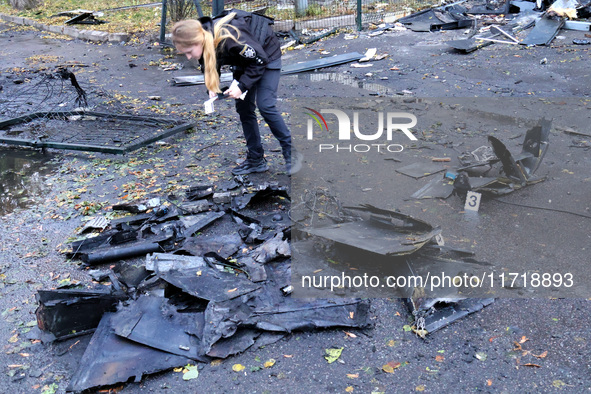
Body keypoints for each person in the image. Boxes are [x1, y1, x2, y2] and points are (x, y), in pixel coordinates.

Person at [171, 10, 301, 176]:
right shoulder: (206, 40)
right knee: (243, 107)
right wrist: (212, 87)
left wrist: (242, 85)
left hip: (265, 54)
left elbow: (259, 61)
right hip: (244, 60)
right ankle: (256, 160)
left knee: (265, 104)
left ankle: (292, 154)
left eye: (189, 52)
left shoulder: (229, 37)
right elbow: (210, 64)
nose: (188, 57)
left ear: (199, 40)